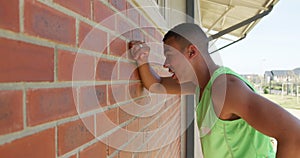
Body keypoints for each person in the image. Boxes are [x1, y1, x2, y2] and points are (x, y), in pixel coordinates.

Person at [129, 23, 300, 158]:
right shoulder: (199, 84)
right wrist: (142, 59)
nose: (165, 63)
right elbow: (156, 84)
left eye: (170, 54)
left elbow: (294, 133)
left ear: (191, 52)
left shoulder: (227, 90)